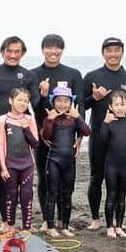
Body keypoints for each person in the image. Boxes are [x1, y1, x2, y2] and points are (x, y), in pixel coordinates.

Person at [79, 37, 126, 231]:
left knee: (120, 179)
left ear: (122, 52)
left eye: (117, 50)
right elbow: (81, 106)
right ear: (103, 53)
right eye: (109, 50)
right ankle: (96, 218)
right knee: (96, 177)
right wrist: (93, 97)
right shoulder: (92, 76)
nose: (113, 54)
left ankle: (116, 219)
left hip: (122, 138)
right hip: (99, 134)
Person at [0, 37, 40, 224]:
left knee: (24, 181)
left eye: (18, 52)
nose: (13, 55)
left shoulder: (29, 76)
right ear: (2, 51)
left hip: (22, 132)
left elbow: (35, 104)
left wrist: (44, 95)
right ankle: (6, 221)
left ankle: (23, 221)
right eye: (10, 51)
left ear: (22, 53)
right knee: (3, 179)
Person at [31, 34, 85, 223]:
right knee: (44, 179)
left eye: (57, 47)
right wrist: (43, 96)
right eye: (49, 47)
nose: (53, 51)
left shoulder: (73, 74)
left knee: (65, 180)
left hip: (67, 137)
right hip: (43, 135)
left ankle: (63, 220)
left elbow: (80, 110)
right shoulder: (33, 74)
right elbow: (34, 108)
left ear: (62, 50)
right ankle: (47, 220)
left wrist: (79, 139)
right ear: (42, 49)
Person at [39, 86, 90, 236]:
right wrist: (49, 120)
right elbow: (47, 137)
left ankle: (65, 226)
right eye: (59, 101)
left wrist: (78, 117)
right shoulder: (50, 118)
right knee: (52, 193)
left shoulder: (73, 119)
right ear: (53, 102)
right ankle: (50, 227)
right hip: (53, 160)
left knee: (67, 194)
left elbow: (86, 132)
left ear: (71, 102)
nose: (62, 104)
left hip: (69, 162)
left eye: (66, 101)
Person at [0, 88, 40, 232]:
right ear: (10, 100)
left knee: (27, 195)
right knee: (11, 196)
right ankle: (11, 225)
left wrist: (26, 128)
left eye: (26, 101)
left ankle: (26, 226)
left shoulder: (29, 119)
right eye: (19, 100)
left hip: (27, 164)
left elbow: (35, 143)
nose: (22, 103)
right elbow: (0, 145)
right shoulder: (3, 120)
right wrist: (3, 167)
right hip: (10, 164)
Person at [98, 90, 126, 238]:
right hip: (111, 166)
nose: (120, 107)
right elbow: (103, 140)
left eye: (123, 104)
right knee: (111, 196)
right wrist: (105, 122)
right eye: (116, 104)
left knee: (122, 197)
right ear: (110, 106)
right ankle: (110, 227)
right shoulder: (110, 124)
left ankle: (119, 226)